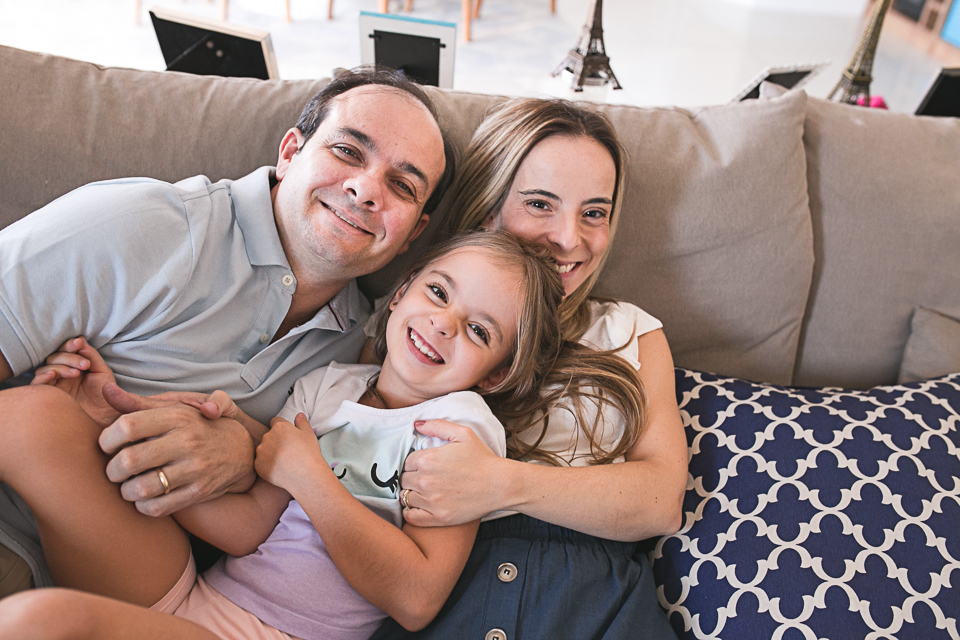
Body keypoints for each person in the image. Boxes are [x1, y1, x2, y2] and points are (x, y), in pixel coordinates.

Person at [0, 232, 569, 639]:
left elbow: (417, 600)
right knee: (30, 416)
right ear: (401, 294)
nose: (444, 322)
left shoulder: (460, 430)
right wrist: (120, 432)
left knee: (37, 622)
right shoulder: (329, 385)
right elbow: (249, 529)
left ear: (496, 373)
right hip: (199, 599)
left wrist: (310, 476)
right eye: (439, 293)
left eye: (477, 329)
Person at [0, 66, 454, 542]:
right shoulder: (144, 225)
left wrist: (247, 454)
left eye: (403, 186)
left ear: (413, 234)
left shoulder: (362, 352)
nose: (366, 190)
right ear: (291, 152)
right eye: (347, 151)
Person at [371, 99, 688, 639]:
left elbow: (660, 501)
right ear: (487, 205)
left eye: (594, 212)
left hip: (596, 608)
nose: (569, 238)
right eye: (540, 204)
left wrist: (500, 484)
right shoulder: (424, 315)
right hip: (440, 588)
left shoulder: (629, 333)